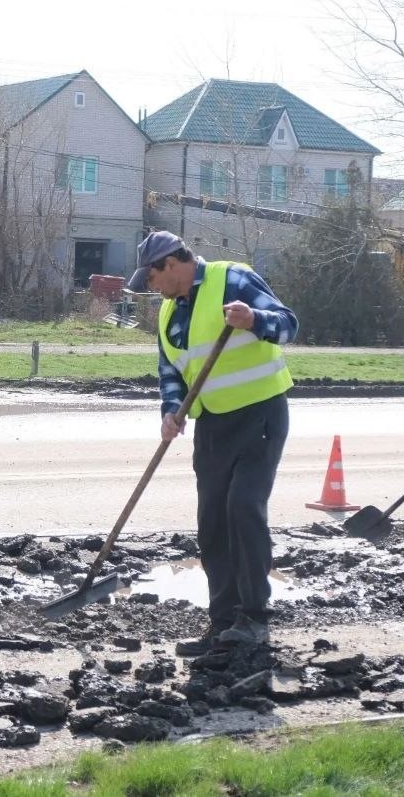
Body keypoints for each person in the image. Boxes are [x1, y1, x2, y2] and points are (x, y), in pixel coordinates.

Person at [127, 231, 298, 655]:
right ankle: (222, 623)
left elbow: (288, 325)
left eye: (151, 277)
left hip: (260, 415)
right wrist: (171, 409)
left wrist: (254, 320)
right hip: (214, 427)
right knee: (212, 523)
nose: (151, 287)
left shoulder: (233, 279)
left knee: (243, 507)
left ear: (170, 264)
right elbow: (170, 368)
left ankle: (254, 617)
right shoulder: (169, 314)